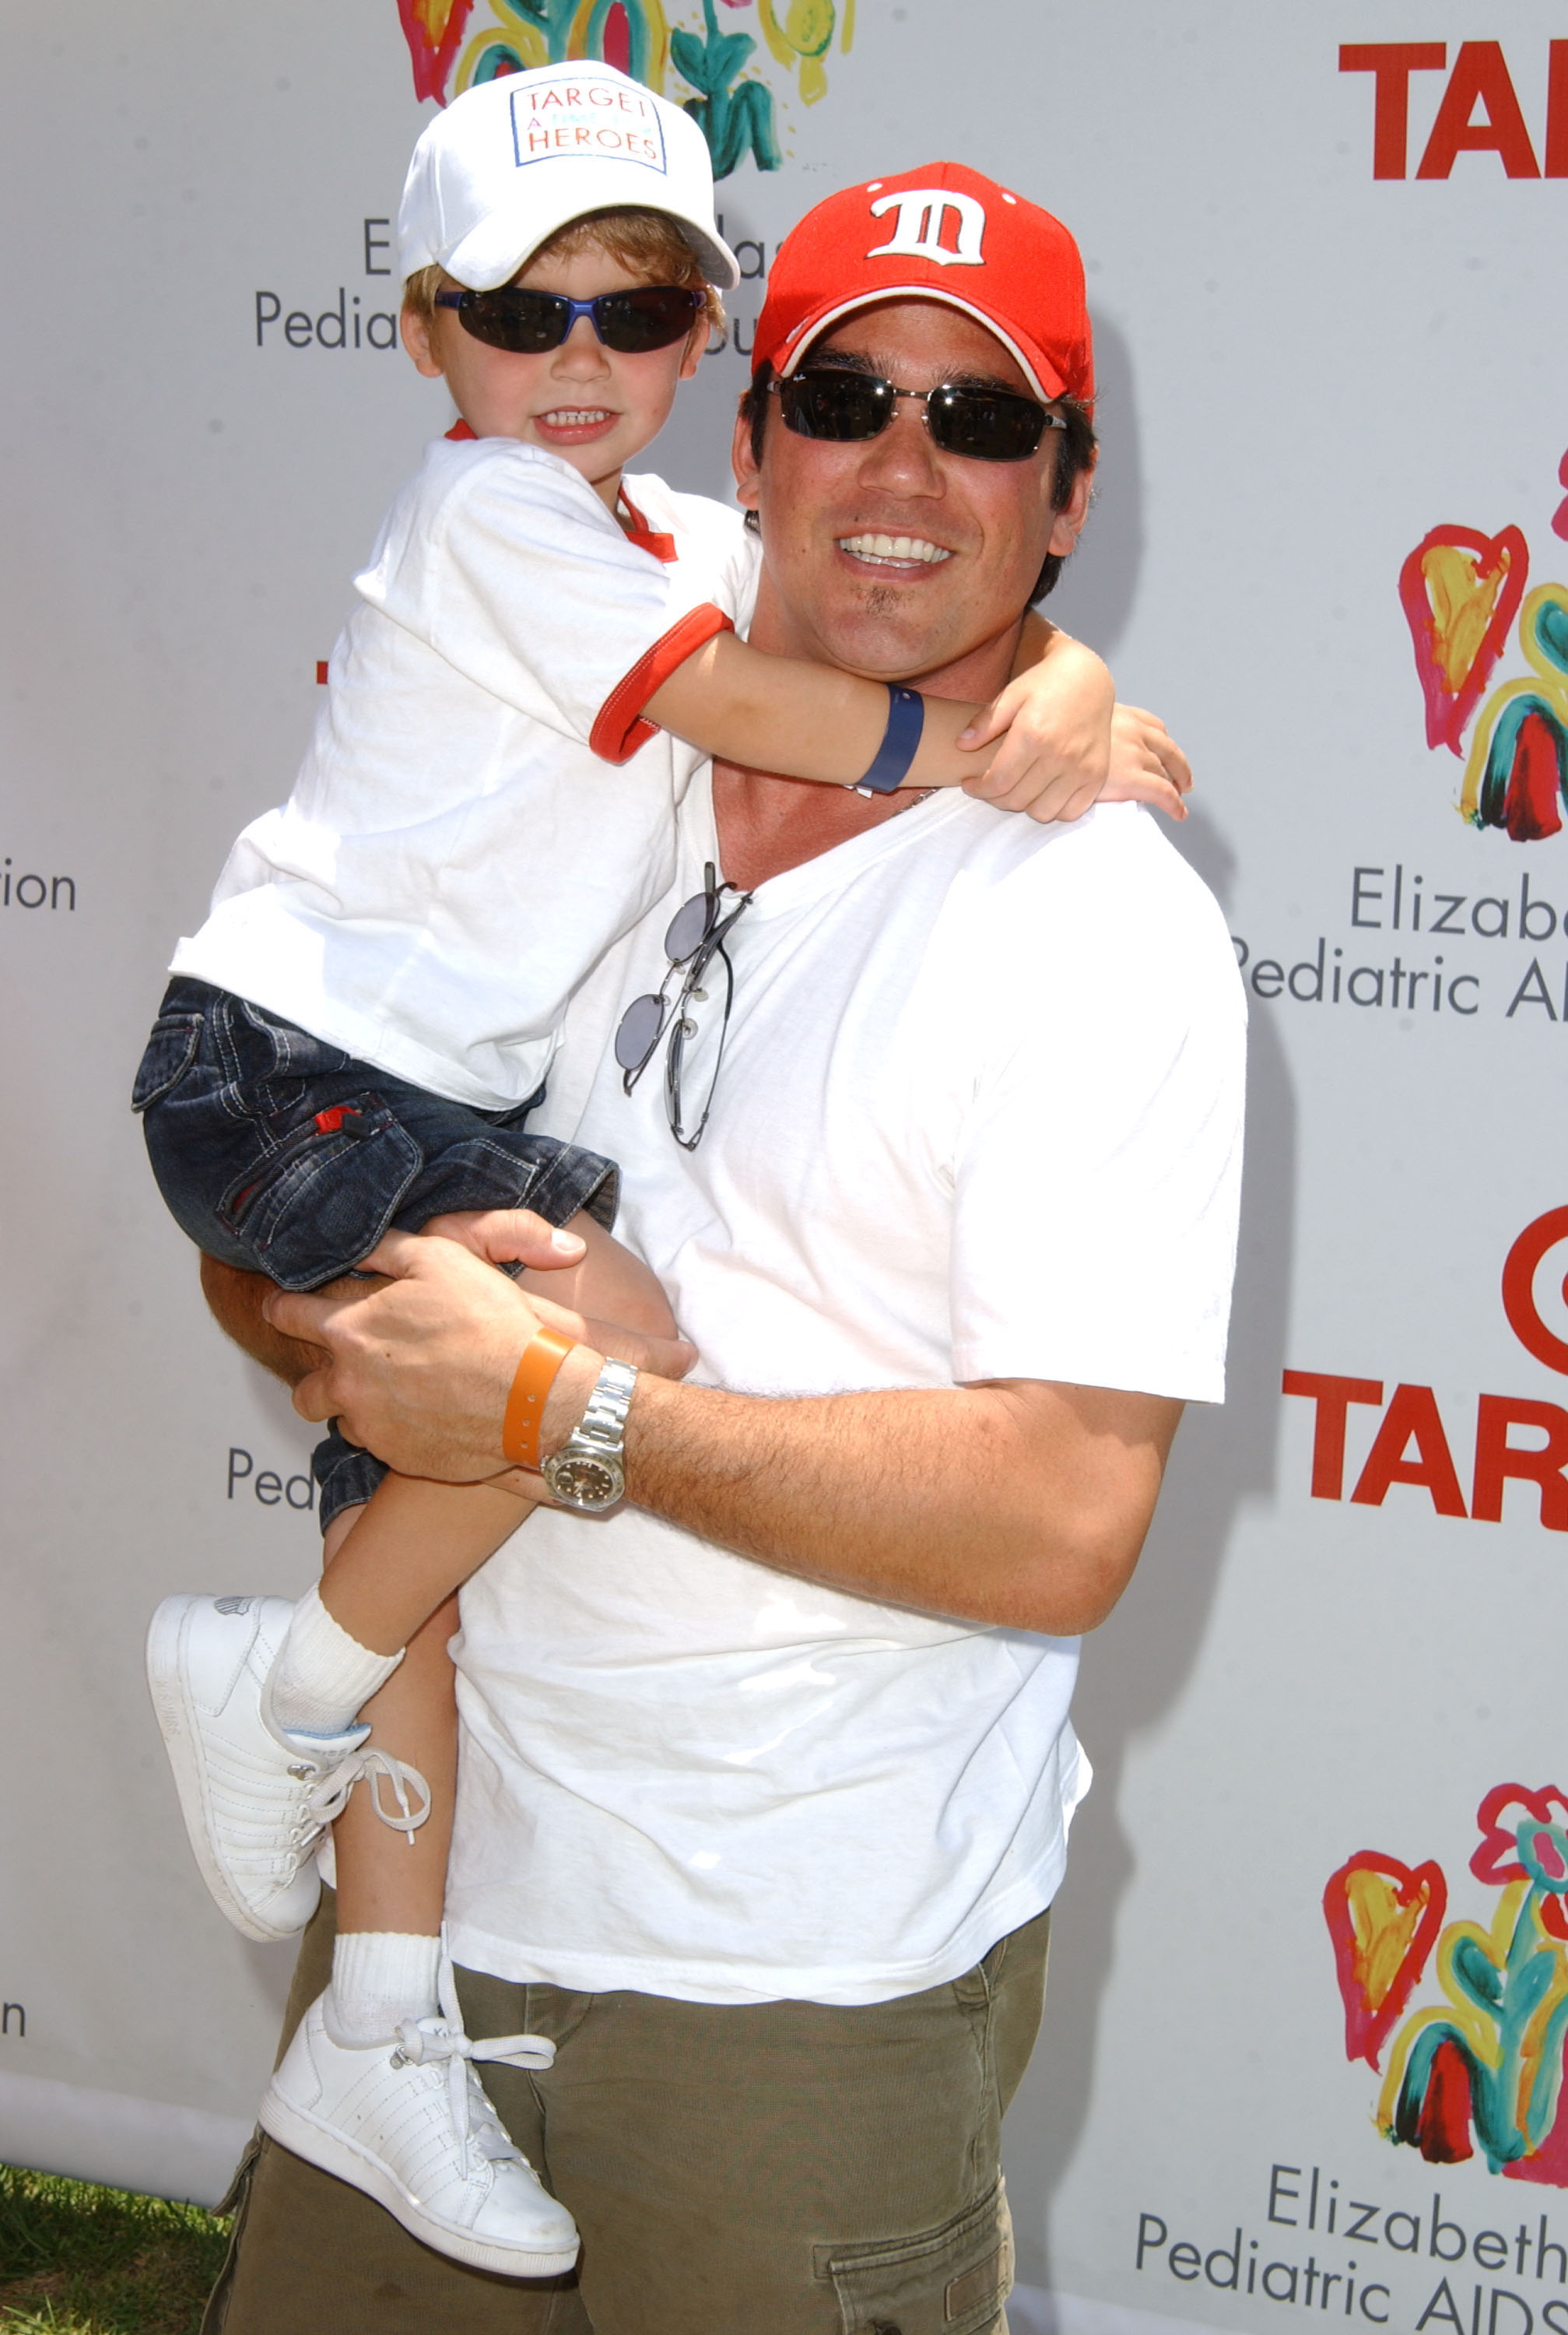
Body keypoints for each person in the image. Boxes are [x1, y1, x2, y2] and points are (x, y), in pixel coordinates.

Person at [136, 71, 1187, 2288]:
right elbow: (296, 1282)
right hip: (421, 1935)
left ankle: (285, 1682)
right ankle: (296, 1718)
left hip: (786, 2008)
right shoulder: (596, 732)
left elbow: (1070, 1518)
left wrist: (544, 1409)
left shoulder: (1100, 919)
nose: (904, 469)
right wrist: (347, 1332)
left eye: (984, 425)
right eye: (846, 394)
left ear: (1065, 495)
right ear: (753, 443)